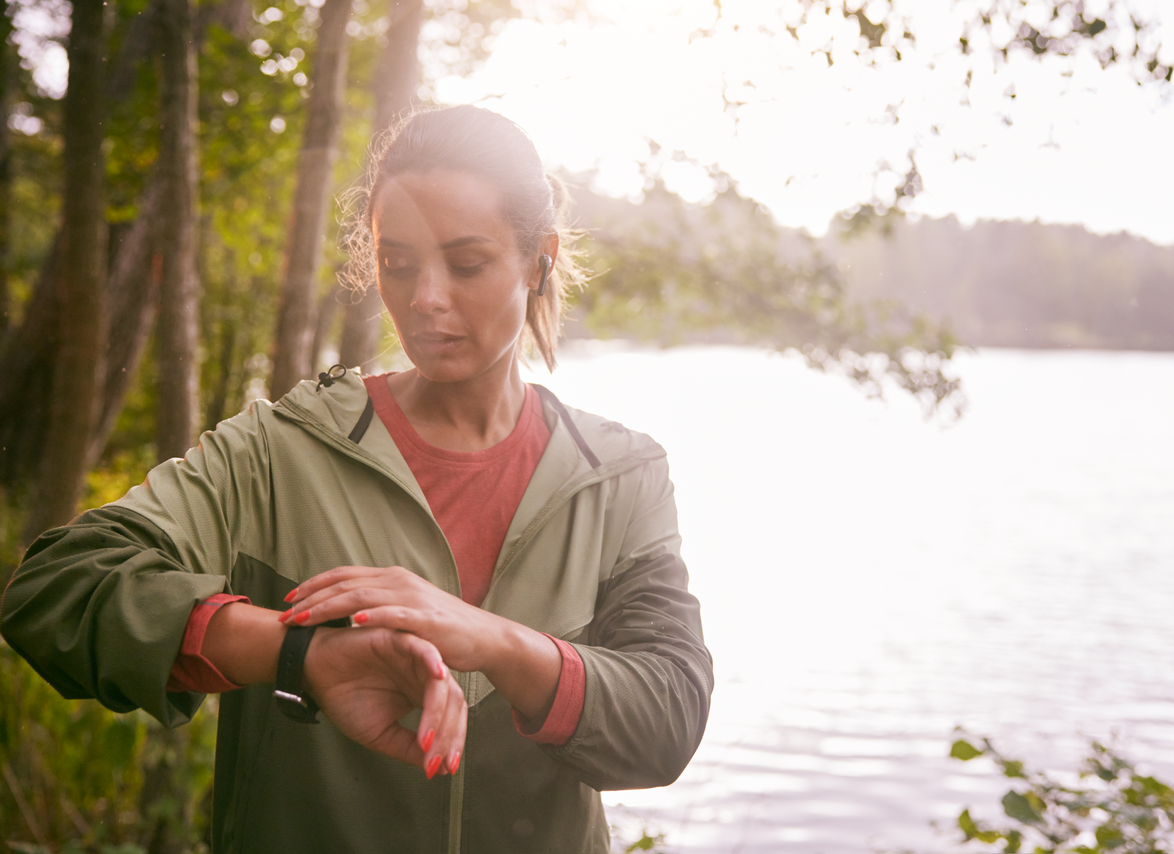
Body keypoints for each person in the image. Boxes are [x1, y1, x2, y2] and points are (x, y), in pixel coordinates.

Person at [0, 104, 713, 854]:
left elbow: (666, 720)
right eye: (397, 264)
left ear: (539, 258)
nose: (424, 298)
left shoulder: (622, 475)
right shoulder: (278, 450)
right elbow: (56, 585)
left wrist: (499, 643)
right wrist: (293, 652)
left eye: (466, 263)